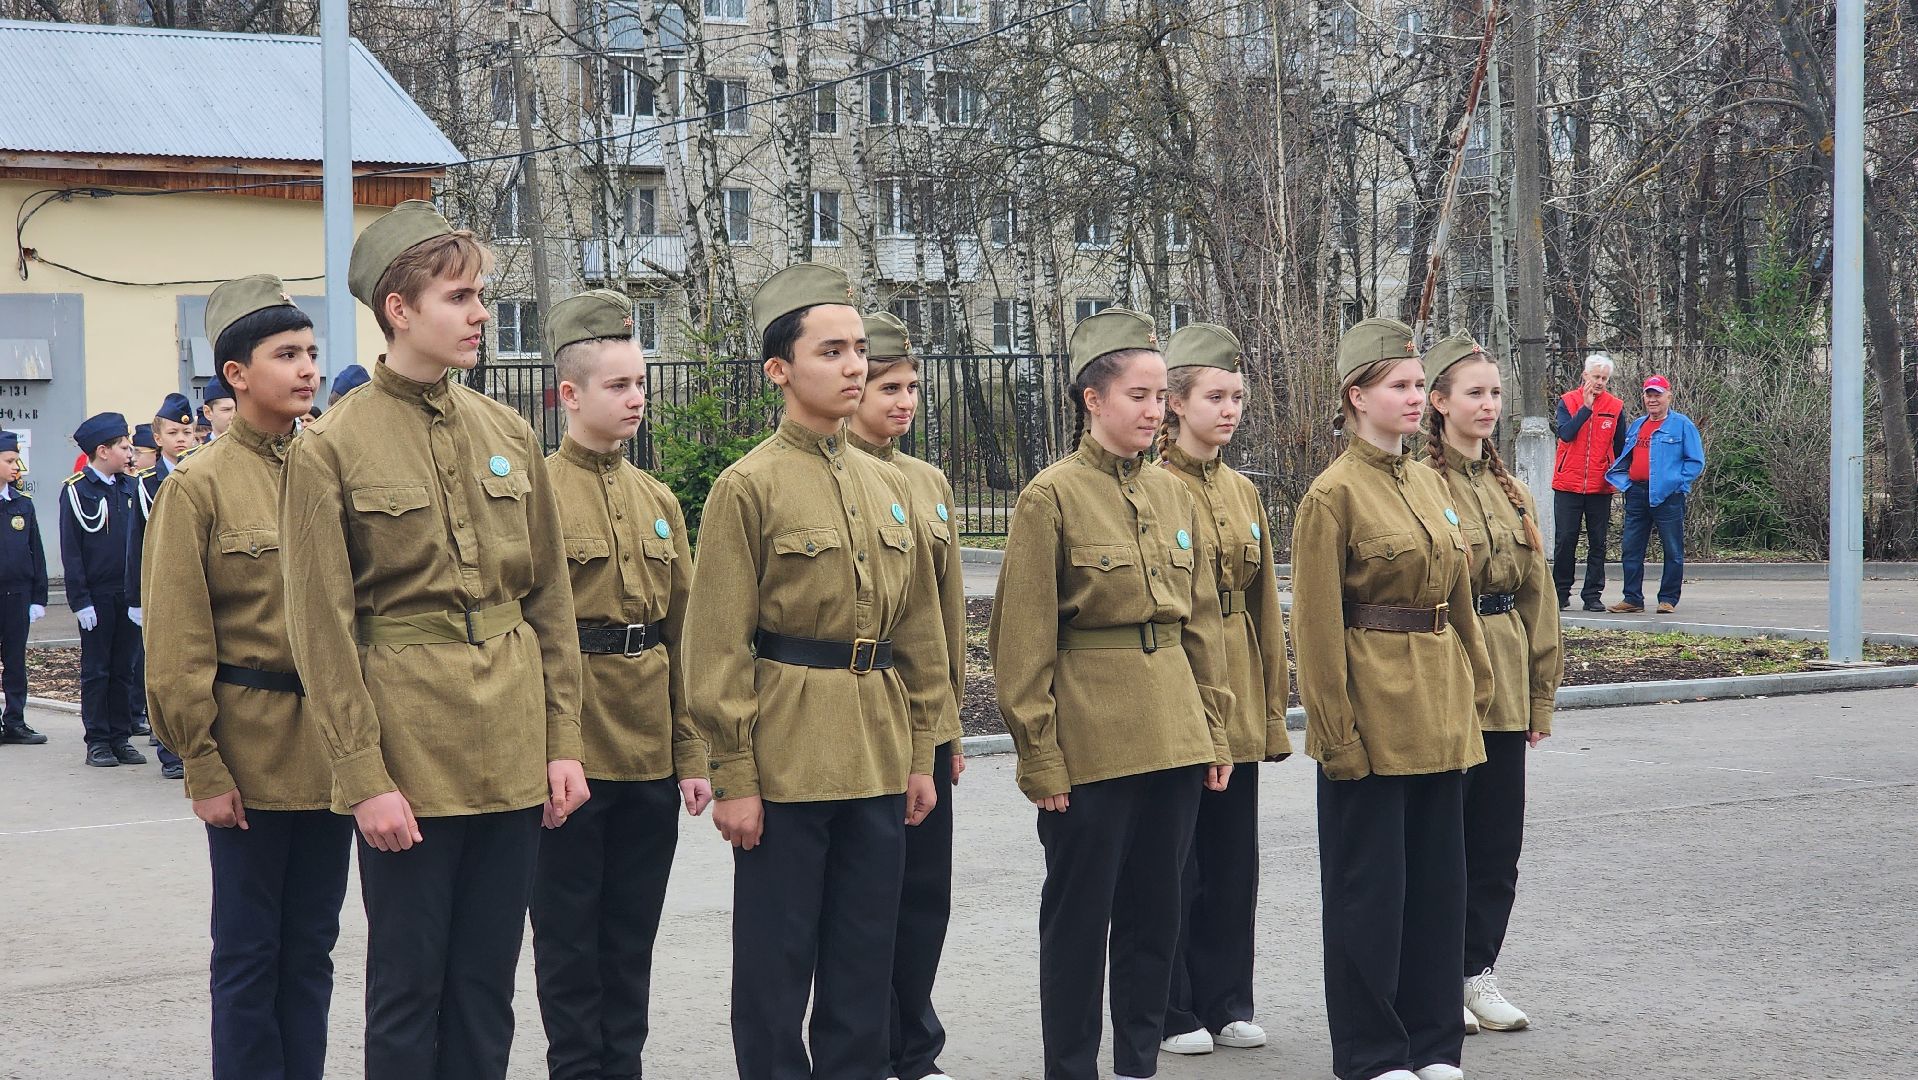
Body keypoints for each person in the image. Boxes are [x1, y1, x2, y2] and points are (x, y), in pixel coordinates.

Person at [279, 199, 588, 1080]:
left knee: (488, 986)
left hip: (510, 742)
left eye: (480, 294)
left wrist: (562, 741)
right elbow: (323, 631)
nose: (481, 313)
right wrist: (363, 776)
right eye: (459, 296)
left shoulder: (510, 432)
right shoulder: (331, 447)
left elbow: (549, 606)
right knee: (411, 986)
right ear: (399, 310)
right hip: (409, 749)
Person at [683, 261, 946, 1080]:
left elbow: (921, 634)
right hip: (787, 754)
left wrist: (922, 752)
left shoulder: (888, 486)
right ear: (779, 370)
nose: (855, 366)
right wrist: (734, 777)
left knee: (864, 962)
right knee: (775, 963)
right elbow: (716, 645)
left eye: (859, 349)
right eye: (831, 351)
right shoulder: (747, 486)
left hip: (874, 747)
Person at [989, 307, 1235, 1080]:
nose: (1154, 410)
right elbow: (1021, 642)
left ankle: (1137, 1063)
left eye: (1161, 395)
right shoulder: (1050, 498)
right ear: (1092, 399)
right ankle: (1071, 1067)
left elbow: (1200, 626)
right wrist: (1040, 756)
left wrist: (1215, 730)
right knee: (1078, 920)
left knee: (1154, 919)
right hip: (1091, 740)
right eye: (1138, 395)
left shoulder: (1175, 496)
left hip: (1174, 733)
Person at [143, 276, 352, 1080]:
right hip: (250, 752)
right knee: (247, 956)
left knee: (313, 952)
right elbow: (176, 638)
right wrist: (199, 759)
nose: (307, 369)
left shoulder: (329, 469)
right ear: (235, 373)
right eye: (286, 355)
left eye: (311, 353)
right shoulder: (198, 487)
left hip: (330, 753)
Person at [1289, 317, 1493, 1080]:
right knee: (1369, 898)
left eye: (1417, 386)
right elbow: (1314, 627)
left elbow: (1458, 599)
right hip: (1373, 715)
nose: (1416, 399)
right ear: (1357, 396)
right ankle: (1375, 1052)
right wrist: (1335, 734)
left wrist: (1477, 684)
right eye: (1401, 387)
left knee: (1439, 893)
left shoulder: (1428, 481)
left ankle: (1433, 1042)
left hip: (1440, 710)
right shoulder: (1331, 496)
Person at [530, 289, 712, 1080]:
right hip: (572, 749)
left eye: (641, 383)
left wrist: (694, 753)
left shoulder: (659, 501)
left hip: (647, 753)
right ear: (568, 395)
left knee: (632, 935)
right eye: (617, 385)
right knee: (570, 939)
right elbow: (534, 635)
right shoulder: (534, 494)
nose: (637, 398)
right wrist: (547, 746)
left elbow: (686, 639)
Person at [1153, 322, 1291, 1059]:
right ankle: (1173, 1004)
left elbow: (1264, 601)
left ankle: (1228, 997)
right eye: (1215, 396)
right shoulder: (1154, 487)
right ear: (1174, 403)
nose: (1230, 409)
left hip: (1236, 676)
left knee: (1234, 856)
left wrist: (1271, 703)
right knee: (1179, 859)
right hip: (1180, 677)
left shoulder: (1240, 489)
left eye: (1237, 396)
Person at [1419, 332, 1564, 1036]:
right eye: (1473, 392)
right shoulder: (1422, 483)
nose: (1488, 404)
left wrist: (1541, 695)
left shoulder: (1512, 492)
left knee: (1495, 844)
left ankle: (1477, 971)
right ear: (1438, 402)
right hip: (1446, 670)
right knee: (1440, 841)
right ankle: (1433, 976)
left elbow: (1540, 597)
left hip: (1505, 676)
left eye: (1496, 393)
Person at [846, 310, 967, 1080]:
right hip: (857, 715)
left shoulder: (927, 482)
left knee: (925, 894)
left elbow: (947, 615)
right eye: (889, 386)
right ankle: (870, 1043)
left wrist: (948, 723)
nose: (904, 400)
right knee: (866, 899)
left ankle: (915, 1045)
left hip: (925, 715)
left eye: (913, 386)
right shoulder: (836, 471)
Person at [60, 412, 147, 769]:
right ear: (102, 450)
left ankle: (120, 736)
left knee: (125, 668)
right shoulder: (78, 491)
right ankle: (97, 740)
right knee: (97, 670)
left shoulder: (130, 487)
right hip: (96, 595)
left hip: (127, 594)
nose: (130, 454)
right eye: (124, 447)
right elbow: (72, 550)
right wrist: (79, 600)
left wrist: (139, 595)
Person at [130, 391, 203, 775]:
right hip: (158, 585)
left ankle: (196, 749)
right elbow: (136, 544)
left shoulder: (204, 471)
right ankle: (169, 751)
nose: (181, 439)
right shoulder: (145, 483)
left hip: (197, 583)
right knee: (164, 666)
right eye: (172, 432)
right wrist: (134, 598)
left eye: (186, 433)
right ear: (157, 438)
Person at [1604, 374, 1704, 614]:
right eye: (1649, 394)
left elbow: (1695, 462)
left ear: (1668, 396)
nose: (1653, 399)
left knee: (1672, 548)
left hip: (1668, 496)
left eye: (1657, 394)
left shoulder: (1682, 425)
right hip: (1637, 493)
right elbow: (1627, 455)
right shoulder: (1638, 425)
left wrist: (1675, 482)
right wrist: (1626, 481)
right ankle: (1632, 598)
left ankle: (1668, 599)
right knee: (1631, 547)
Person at [1551, 353, 1626, 612]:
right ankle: (1560, 593)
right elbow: (1566, 433)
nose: (1600, 382)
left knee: (1598, 542)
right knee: (1565, 540)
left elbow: (1619, 446)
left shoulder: (1616, 406)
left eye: (1604, 378)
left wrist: (1615, 475)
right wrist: (1586, 409)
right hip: (1567, 484)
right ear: (1585, 376)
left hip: (1599, 486)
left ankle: (1592, 595)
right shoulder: (1567, 401)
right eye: (1596, 377)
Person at [1, 429, 51, 747]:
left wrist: (38, 596)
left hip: (17, 594)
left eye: (16, 460)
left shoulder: (22, 504)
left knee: (16, 661)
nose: (16, 466)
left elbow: (37, 551)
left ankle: (15, 721)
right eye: (9, 460)